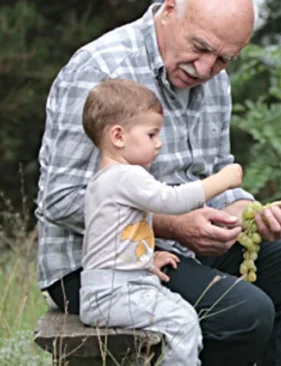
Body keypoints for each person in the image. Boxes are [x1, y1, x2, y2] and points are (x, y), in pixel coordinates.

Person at [34, 0, 281, 365]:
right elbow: (59, 198)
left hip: (183, 248)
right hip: (101, 267)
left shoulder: (214, 81)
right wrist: (174, 225)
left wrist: (252, 214)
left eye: (224, 59)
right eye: (201, 47)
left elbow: (216, 172)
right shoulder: (100, 67)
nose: (207, 68)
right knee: (245, 313)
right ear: (171, 8)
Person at [78, 78, 244, 365]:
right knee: (183, 323)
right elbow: (172, 201)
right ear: (118, 136)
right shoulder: (127, 176)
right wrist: (221, 181)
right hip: (114, 294)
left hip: (111, 288)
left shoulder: (103, 180)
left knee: (182, 313)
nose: (159, 144)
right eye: (152, 134)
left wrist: (142, 260)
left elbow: (108, 239)